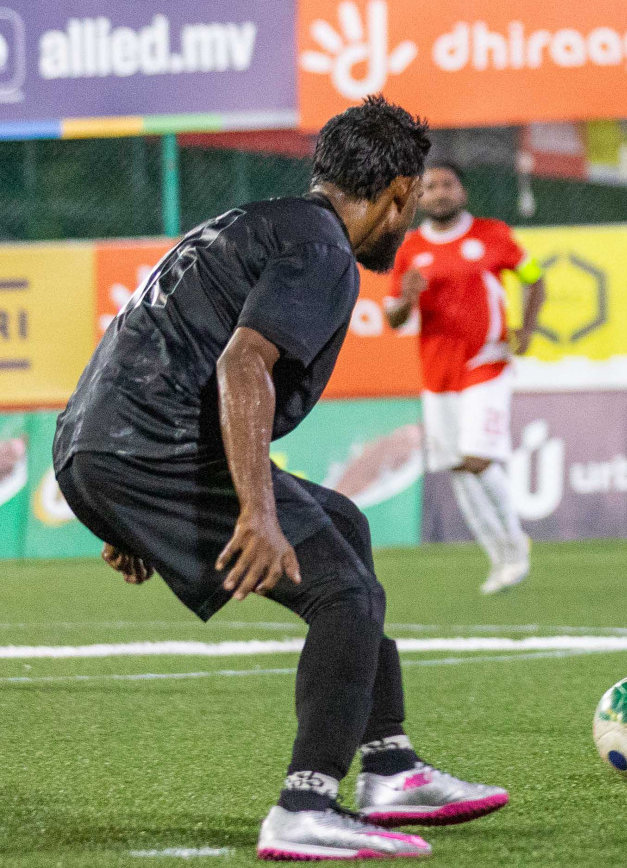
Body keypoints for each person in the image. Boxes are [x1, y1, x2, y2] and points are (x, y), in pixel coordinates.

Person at [53, 97, 507, 860]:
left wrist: (113, 509)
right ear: (399, 192)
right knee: (343, 592)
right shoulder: (324, 249)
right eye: (411, 199)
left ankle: (390, 765)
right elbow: (242, 364)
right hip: (151, 443)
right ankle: (306, 803)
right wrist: (256, 512)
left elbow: (144, 339)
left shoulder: (251, 221)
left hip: (95, 444)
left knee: (347, 530)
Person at [384, 161, 546, 595]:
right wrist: (408, 297)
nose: (439, 192)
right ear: (419, 198)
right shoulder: (410, 250)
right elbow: (394, 318)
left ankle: (516, 546)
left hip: (486, 363)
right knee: (458, 468)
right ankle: (499, 560)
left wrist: (526, 330)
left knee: (476, 458)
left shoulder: (491, 234)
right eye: (430, 187)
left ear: (462, 192)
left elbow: (534, 278)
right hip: (438, 374)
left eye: (448, 184)